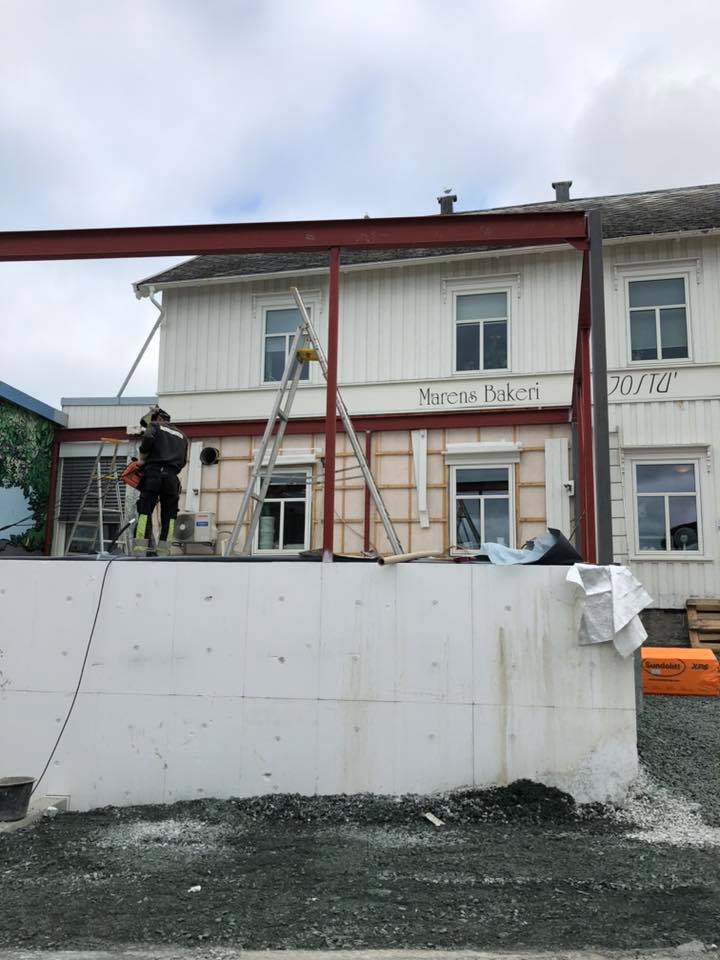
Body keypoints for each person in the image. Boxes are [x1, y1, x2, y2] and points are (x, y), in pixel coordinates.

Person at [133, 406, 188, 556]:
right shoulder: (182, 435)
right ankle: (163, 552)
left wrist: (142, 458)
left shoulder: (155, 425)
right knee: (169, 517)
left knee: (145, 512)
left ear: (158, 418)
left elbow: (148, 437)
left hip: (153, 474)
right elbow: (183, 461)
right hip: (172, 479)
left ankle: (140, 551)